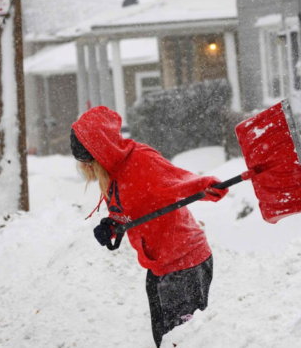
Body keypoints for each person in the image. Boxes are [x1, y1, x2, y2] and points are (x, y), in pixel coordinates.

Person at [70, 106, 228, 347]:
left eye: (88, 162)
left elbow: (180, 179)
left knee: (182, 341)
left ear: (99, 153)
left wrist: (209, 186)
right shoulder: (114, 173)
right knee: (164, 339)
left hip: (185, 263)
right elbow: (133, 209)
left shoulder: (141, 160)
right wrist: (112, 225)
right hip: (160, 266)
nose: (86, 170)